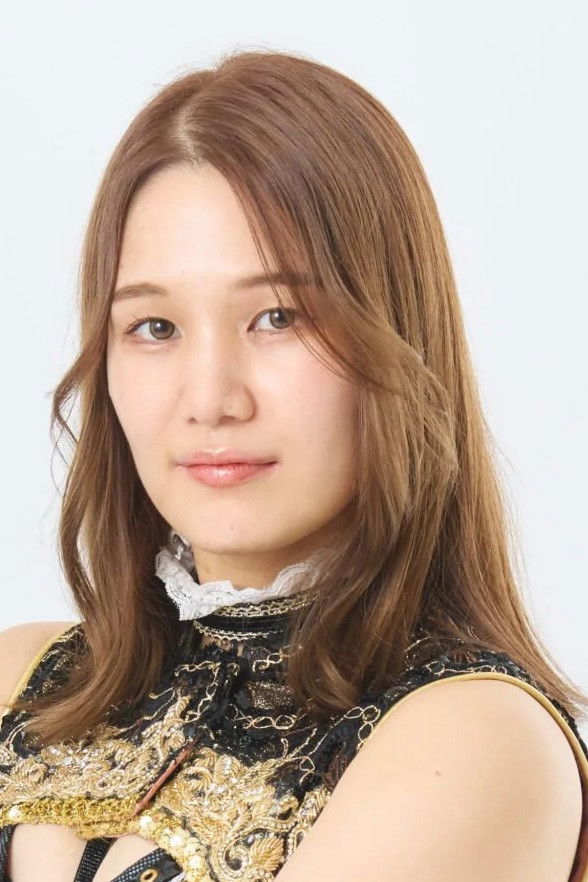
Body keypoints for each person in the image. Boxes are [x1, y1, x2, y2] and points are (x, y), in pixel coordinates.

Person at [0, 48, 586, 882]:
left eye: (278, 317)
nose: (211, 398)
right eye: (155, 328)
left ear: (396, 336)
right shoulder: (25, 678)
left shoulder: (476, 740)